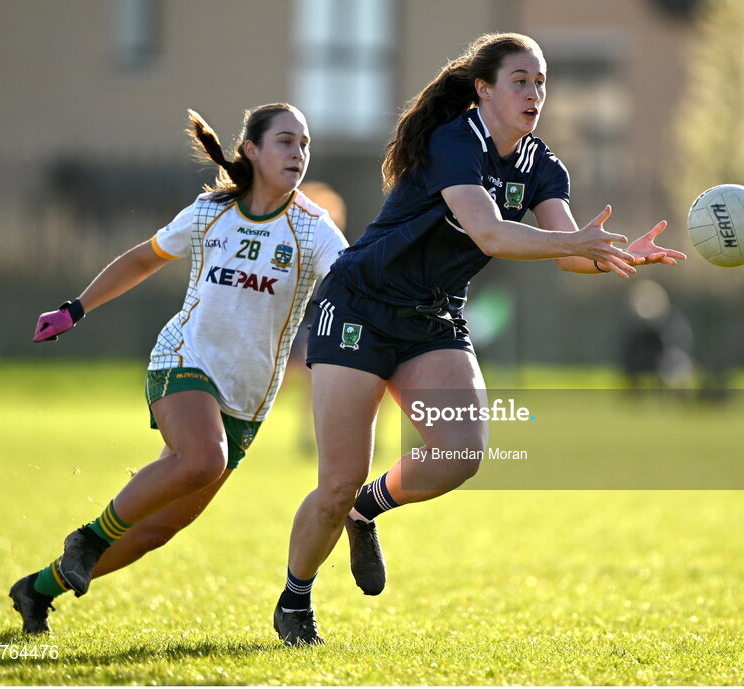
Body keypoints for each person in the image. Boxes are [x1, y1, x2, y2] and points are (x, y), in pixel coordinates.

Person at [271, 32, 686, 646]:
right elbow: (490, 233)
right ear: (484, 89)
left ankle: (368, 509)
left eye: (541, 82)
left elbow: (568, 251)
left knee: (459, 453)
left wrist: (618, 255)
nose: (535, 93)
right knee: (334, 480)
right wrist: (575, 244)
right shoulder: (454, 140)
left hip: (432, 319)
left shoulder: (543, 165)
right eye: (521, 80)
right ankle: (295, 598)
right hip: (360, 305)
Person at [8, 103, 348, 634]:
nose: (299, 153)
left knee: (157, 529)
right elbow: (144, 258)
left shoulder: (313, 227)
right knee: (203, 458)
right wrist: (75, 308)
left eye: (305, 144)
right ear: (252, 150)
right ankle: (89, 539)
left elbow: (350, 283)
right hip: (182, 359)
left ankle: (37, 589)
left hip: (248, 397)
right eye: (286, 141)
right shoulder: (210, 213)